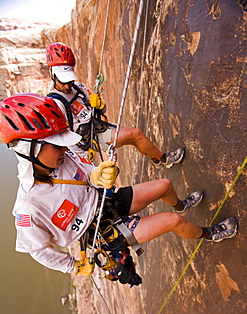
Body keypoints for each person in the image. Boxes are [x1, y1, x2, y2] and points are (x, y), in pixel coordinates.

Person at [0, 94, 238, 284]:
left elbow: (86, 168)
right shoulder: (28, 208)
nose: (64, 149)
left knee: (165, 186)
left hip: (107, 200)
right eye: (56, 145)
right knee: (173, 222)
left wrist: (96, 174)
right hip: (104, 230)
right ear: (29, 150)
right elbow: (38, 250)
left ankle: (182, 204)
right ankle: (210, 233)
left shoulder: (62, 157)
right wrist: (72, 265)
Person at [46, 42, 185, 166]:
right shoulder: (56, 103)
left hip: (98, 127)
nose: (67, 86)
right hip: (91, 140)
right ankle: (165, 159)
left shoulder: (78, 88)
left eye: (69, 80)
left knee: (134, 140)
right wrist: (84, 156)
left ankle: (155, 158)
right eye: (63, 81)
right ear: (52, 75)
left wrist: (100, 105)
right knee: (136, 134)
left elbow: (103, 108)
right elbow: (65, 136)